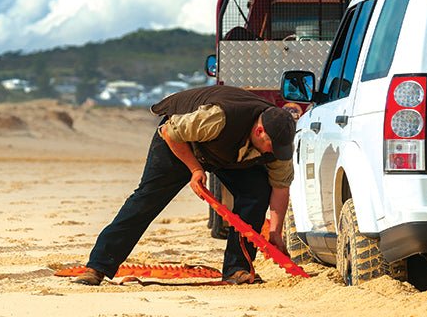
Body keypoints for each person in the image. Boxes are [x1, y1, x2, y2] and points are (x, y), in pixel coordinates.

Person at [74, 85, 296, 285]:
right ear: (259, 131)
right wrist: (195, 169)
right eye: (270, 146)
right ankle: (98, 266)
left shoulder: (278, 143)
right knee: (146, 200)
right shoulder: (219, 117)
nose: (272, 152)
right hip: (180, 142)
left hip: (226, 153)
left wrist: (276, 232)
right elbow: (170, 133)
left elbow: (280, 186)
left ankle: (238, 269)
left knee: (255, 193)